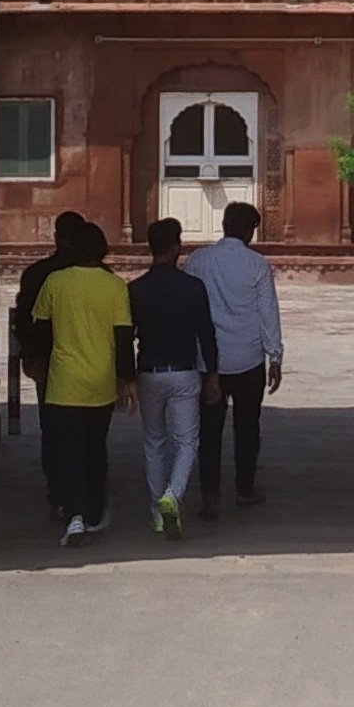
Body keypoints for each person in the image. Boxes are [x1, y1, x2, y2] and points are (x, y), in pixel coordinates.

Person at [25, 217, 132, 545]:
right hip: (99, 383)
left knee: (66, 452)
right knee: (94, 450)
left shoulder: (55, 282)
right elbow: (124, 336)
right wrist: (126, 379)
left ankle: (72, 515)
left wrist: (36, 362)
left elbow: (39, 330)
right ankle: (94, 511)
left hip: (63, 381)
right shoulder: (115, 286)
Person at [127, 216, 220, 537]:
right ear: (177, 247)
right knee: (186, 441)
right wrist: (213, 374)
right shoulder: (193, 288)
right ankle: (173, 495)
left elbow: (126, 337)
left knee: (154, 442)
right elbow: (206, 334)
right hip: (184, 372)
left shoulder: (136, 290)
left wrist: (125, 377)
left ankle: (156, 510)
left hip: (149, 371)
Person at [189, 197, 283, 514]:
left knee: (209, 429)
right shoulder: (256, 265)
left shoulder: (198, 261)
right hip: (248, 358)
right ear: (249, 230)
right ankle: (244, 488)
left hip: (208, 361)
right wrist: (276, 356)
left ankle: (209, 493)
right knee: (247, 427)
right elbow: (267, 312)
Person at [12, 212, 97, 519]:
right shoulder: (100, 275)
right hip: (92, 361)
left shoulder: (39, 274)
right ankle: (88, 492)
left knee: (55, 430)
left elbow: (25, 321)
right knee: (90, 432)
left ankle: (59, 493)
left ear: (58, 236)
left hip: (51, 361)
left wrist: (29, 356)